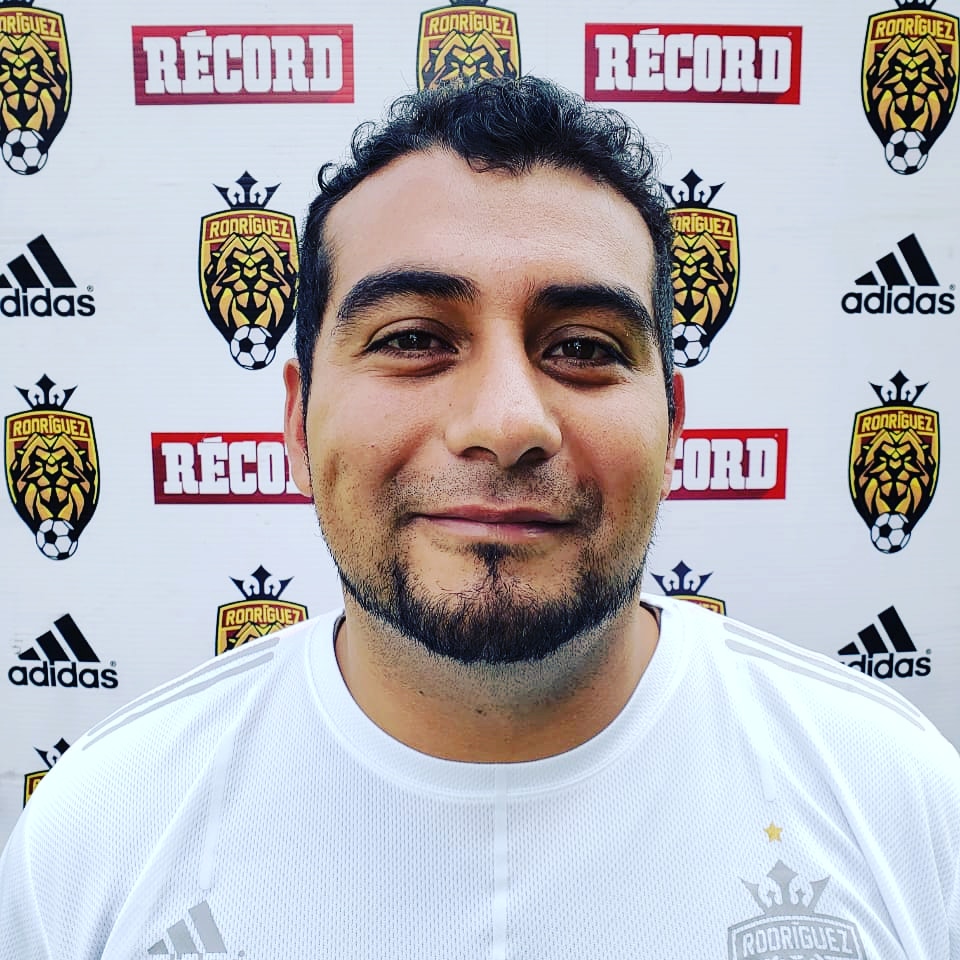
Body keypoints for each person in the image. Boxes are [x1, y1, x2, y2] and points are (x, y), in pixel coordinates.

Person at [1, 76, 958, 960]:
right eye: (413, 338)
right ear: (296, 422)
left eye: (583, 348)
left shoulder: (899, 802)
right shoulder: (103, 831)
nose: (505, 424)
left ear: (673, 426)